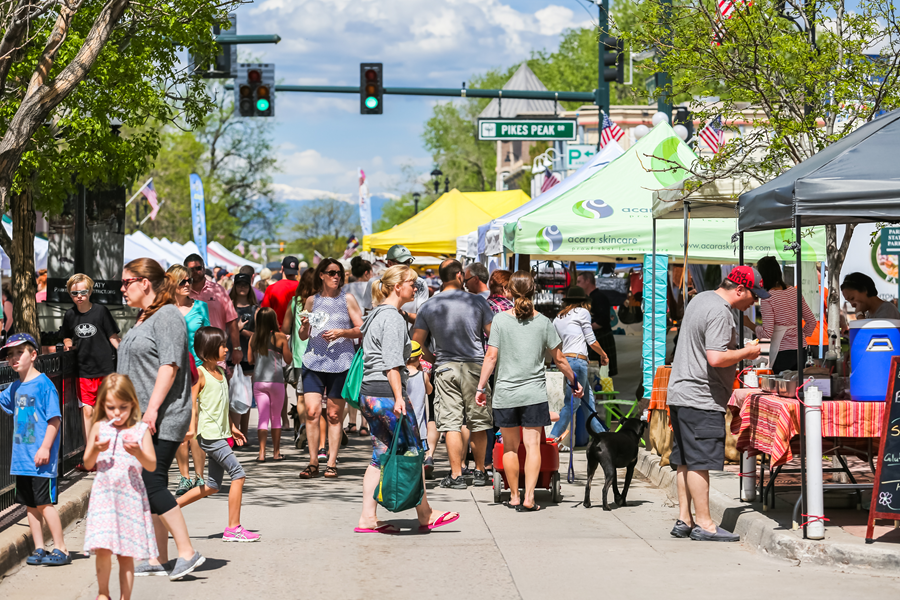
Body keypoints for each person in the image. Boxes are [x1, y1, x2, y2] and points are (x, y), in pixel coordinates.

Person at [356, 264, 460, 534]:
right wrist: (400, 396)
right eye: (412, 282)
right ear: (396, 286)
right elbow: (392, 362)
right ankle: (425, 514)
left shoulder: (377, 313)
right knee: (414, 451)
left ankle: (368, 517)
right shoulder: (390, 316)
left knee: (380, 455)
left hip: (371, 393)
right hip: (387, 394)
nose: (416, 287)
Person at [117, 258, 204, 579]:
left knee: (151, 481)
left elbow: (170, 366)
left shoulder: (167, 315)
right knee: (149, 483)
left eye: (127, 282)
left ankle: (187, 552)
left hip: (163, 415)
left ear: (145, 283)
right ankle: (157, 558)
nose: (122, 289)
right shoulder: (143, 317)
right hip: (139, 416)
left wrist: (151, 411)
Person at [667, 266, 764, 542]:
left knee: (685, 460)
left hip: (681, 393)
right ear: (740, 289)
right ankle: (706, 524)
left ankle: (684, 519)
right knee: (699, 461)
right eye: (753, 296)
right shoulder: (721, 311)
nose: (753, 303)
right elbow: (715, 358)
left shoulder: (701, 299)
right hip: (700, 397)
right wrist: (749, 351)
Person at [475, 271, 583, 512]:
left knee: (510, 448)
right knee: (533, 447)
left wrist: (481, 387)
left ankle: (514, 496)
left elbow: (491, 357)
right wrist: (575, 381)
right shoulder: (544, 322)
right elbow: (560, 360)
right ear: (534, 292)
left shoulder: (500, 320)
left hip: (506, 394)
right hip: (533, 395)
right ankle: (530, 497)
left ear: (508, 292)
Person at [412, 258, 494, 490]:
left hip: (445, 368)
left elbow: (416, 342)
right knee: (478, 422)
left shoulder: (428, 305)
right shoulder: (477, 302)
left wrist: (433, 358)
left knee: (451, 424)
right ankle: (480, 472)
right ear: (459, 275)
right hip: (475, 368)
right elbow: (492, 334)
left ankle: (457, 475)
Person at [176, 327, 259, 542]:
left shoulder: (222, 373)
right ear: (208, 349)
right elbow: (192, 406)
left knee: (212, 485)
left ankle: (167, 508)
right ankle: (233, 528)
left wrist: (232, 426)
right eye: (222, 346)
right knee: (238, 475)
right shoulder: (200, 375)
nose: (226, 349)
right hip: (210, 436)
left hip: (220, 434)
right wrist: (191, 429)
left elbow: (222, 405)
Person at [82, 374, 158, 600]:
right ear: (103, 405)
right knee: (103, 549)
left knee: (126, 553)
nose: (116, 413)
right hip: (104, 497)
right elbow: (87, 463)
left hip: (130, 498)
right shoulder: (98, 427)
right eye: (111, 407)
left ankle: (126, 596)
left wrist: (139, 453)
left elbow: (151, 464)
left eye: (123, 407)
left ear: (133, 403)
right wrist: (96, 448)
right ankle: (103, 593)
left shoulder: (140, 429)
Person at [0, 333, 69, 566]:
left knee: (44, 503)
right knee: (29, 504)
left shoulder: (44, 385)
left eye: (20, 352)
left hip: (41, 458)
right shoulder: (15, 387)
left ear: (33, 354)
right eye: (10, 355)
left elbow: (54, 419)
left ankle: (61, 548)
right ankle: (40, 548)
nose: (14, 358)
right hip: (21, 458)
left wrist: (46, 448)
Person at [297, 258, 363, 479]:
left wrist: (341, 333)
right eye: (332, 272)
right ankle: (313, 462)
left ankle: (332, 463)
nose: (337, 276)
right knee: (312, 412)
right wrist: (305, 325)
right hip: (313, 362)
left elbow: (361, 329)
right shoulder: (311, 301)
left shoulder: (348, 299)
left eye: (339, 273)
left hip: (341, 362)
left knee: (334, 415)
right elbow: (303, 335)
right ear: (322, 275)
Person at [61, 273, 121, 472]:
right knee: (87, 412)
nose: (79, 296)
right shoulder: (70, 315)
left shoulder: (101, 311)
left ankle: (109, 455)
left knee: (105, 413)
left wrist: (125, 355)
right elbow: (67, 337)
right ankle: (90, 456)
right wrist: (68, 346)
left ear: (90, 291)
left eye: (83, 292)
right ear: (70, 294)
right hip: (83, 372)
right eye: (75, 292)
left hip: (105, 370)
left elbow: (113, 337)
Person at [167, 264, 210, 497]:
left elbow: (209, 339)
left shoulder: (201, 307)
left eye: (189, 281)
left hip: (199, 371)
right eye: (182, 282)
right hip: (174, 373)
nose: (187, 285)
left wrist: (212, 368)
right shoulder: (164, 310)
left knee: (197, 427)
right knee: (180, 427)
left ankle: (200, 476)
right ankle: (184, 477)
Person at [550, 286, 610, 447]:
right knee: (573, 402)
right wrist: (604, 355)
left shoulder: (558, 318)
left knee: (588, 401)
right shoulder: (582, 313)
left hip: (567, 361)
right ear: (584, 302)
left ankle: (603, 438)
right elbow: (591, 340)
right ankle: (552, 438)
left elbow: (558, 345)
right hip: (578, 361)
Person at [742, 256, 816, 373]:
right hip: (801, 349)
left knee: (782, 388)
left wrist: (749, 324)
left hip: (782, 352)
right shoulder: (795, 292)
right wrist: (799, 336)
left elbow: (767, 332)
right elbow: (812, 321)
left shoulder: (768, 298)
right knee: (798, 387)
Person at [249, 307, 292, 462]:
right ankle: (276, 452)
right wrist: (285, 345)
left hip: (259, 382)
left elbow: (250, 360)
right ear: (273, 320)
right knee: (275, 418)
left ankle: (261, 453)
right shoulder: (280, 337)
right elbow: (288, 360)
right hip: (276, 381)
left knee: (262, 417)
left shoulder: (254, 338)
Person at [184, 253, 242, 368]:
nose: (195, 271)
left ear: (204, 269)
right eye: (191, 269)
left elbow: (232, 320)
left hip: (216, 355)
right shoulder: (182, 292)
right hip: (190, 357)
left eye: (198, 268)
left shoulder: (218, 290)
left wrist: (237, 348)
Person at [281, 269, 318, 447]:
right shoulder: (320, 303)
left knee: (301, 397)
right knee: (320, 396)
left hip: (298, 356)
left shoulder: (295, 303)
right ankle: (317, 427)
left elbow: (286, 328)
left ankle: (303, 425)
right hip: (319, 355)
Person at [577, 270, 617, 377]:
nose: (577, 285)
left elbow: (603, 320)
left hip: (601, 337)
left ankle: (608, 394)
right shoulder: (589, 298)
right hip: (595, 337)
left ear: (587, 281)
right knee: (594, 373)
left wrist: (586, 329)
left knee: (603, 373)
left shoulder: (599, 297)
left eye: (579, 281)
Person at [384, 244, 429, 326]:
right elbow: (368, 314)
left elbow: (423, 319)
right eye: (403, 262)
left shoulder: (420, 283)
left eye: (409, 262)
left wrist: (402, 314)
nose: (407, 266)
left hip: (410, 337)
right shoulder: (376, 282)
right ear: (389, 263)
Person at [261, 256, 301, 327]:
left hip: (277, 332)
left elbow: (264, 313)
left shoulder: (271, 288)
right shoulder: (303, 288)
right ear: (297, 270)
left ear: (282, 268)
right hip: (299, 333)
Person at [406, 341, 432, 443]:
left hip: (403, 425)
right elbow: (429, 391)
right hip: (419, 427)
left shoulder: (399, 375)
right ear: (420, 357)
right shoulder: (423, 375)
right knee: (420, 453)